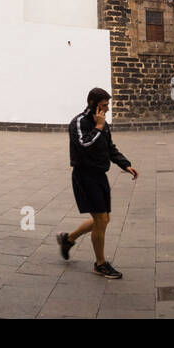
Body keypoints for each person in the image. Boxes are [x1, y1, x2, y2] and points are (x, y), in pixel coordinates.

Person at [57, 87, 139, 279]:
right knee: (101, 220)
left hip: (100, 175)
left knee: (103, 219)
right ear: (93, 104)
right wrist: (99, 127)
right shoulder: (78, 122)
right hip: (84, 176)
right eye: (104, 105)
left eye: (107, 105)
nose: (107, 109)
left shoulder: (102, 123)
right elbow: (84, 145)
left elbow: (110, 148)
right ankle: (100, 264)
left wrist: (125, 165)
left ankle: (68, 239)